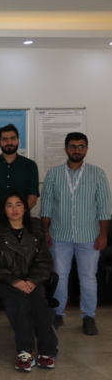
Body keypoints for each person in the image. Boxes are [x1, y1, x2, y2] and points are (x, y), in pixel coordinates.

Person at [40, 132, 111, 335]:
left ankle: (88, 317)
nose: (77, 150)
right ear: (65, 149)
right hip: (59, 236)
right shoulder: (53, 174)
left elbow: (104, 207)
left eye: (81, 146)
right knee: (60, 276)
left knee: (88, 278)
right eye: (72, 146)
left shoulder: (97, 174)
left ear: (86, 149)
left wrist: (103, 234)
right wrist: (45, 232)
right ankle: (57, 314)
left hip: (89, 236)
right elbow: (46, 207)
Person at [0, 192, 58, 371]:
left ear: (25, 209)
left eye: (18, 204)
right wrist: (13, 280)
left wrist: (32, 280)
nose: (14, 209)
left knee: (37, 299)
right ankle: (25, 351)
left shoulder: (37, 233)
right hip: (3, 283)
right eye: (9, 205)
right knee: (19, 297)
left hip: (32, 281)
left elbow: (45, 262)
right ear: (4, 210)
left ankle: (47, 350)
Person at [0, 124, 39, 230]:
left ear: (18, 141)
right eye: (5, 139)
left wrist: (17, 215)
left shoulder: (30, 166)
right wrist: (1, 215)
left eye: (13, 138)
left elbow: (33, 197)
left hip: (22, 224)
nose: (9, 142)